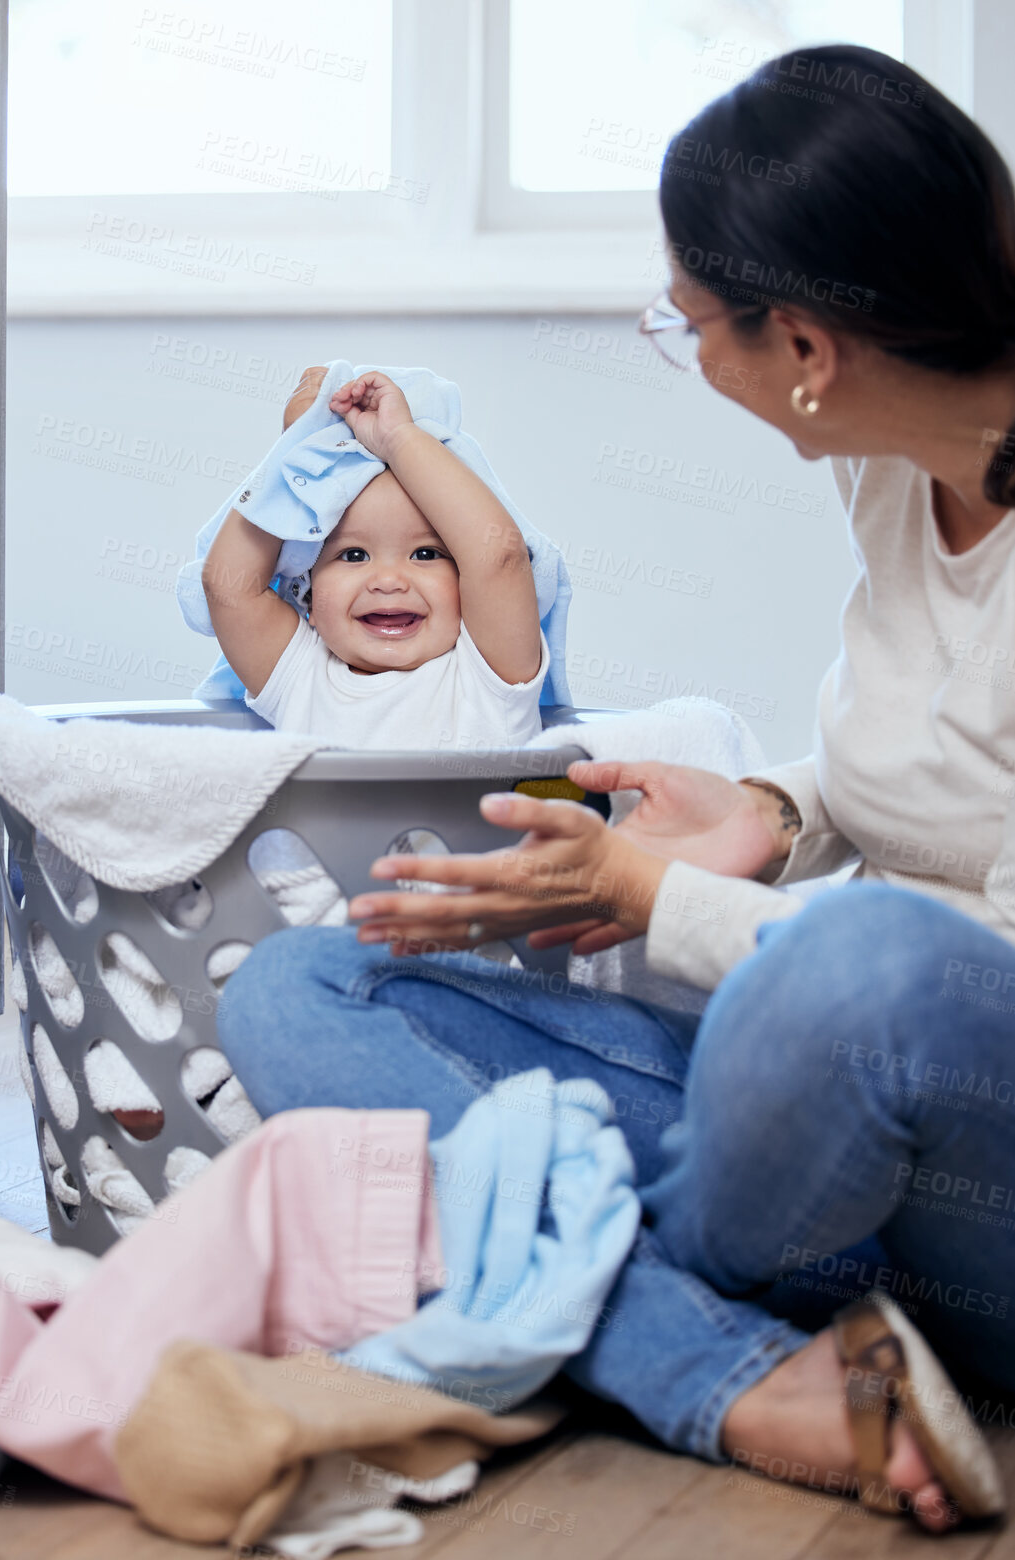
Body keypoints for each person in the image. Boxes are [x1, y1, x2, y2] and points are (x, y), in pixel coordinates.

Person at [218, 44, 1015, 1534]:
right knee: (306, 985)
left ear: (803, 348)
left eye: (689, 321)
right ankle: (714, 1349)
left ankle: (585, 1296)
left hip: (980, 1170)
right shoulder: (899, 466)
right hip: (797, 1132)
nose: (688, 351)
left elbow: (938, 980)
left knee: (859, 966)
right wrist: (774, 817)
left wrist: (658, 895)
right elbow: (938, 755)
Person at [200, 370, 548, 749]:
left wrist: (398, 439)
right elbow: (227, 584)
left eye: (426, 553)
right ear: (308, 596)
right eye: (354, 555)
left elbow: (498, 556)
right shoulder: (299, 675)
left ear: (468, 587)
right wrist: (300, 446)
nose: (388, 580)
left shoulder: (490, 678)